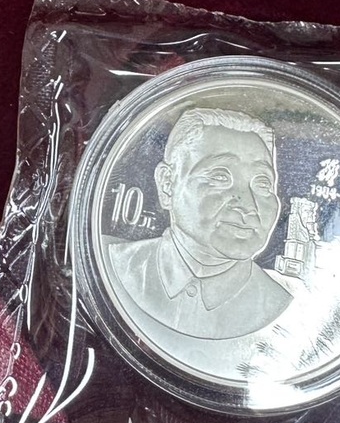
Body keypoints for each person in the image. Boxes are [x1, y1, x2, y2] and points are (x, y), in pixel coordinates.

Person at [108, 107, 292, 340]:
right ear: (167, 184)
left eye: (263, 183)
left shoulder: (280, 308)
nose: (248, 205)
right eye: (220, 177)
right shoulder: (117, 266)